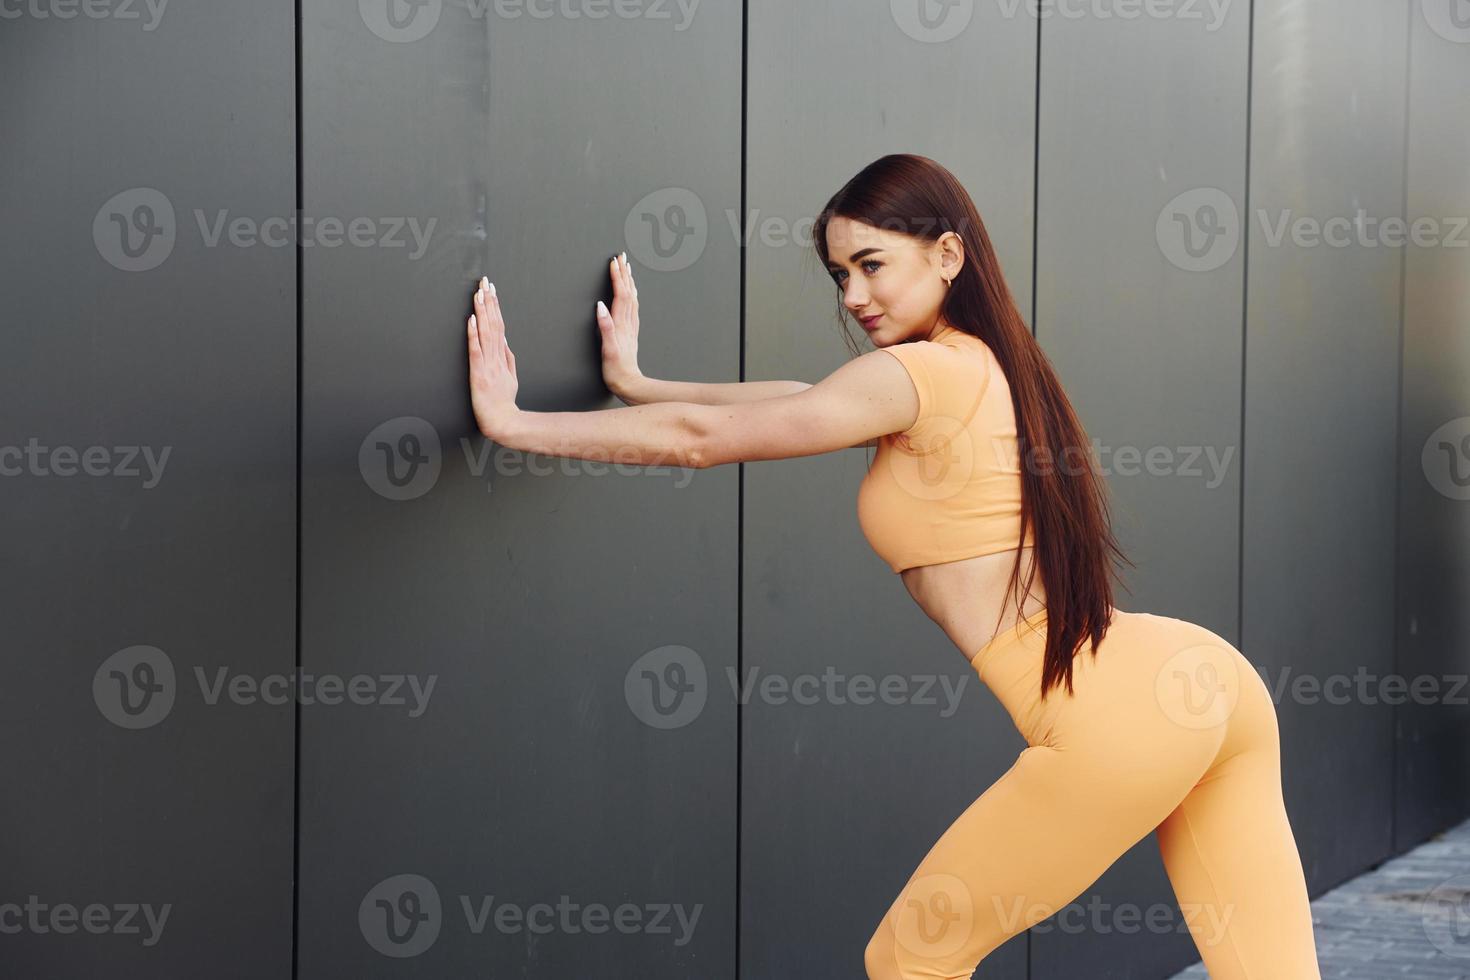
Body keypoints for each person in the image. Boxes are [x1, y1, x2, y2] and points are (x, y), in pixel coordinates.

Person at [464, 154, 1321, 979]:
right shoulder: (986, 364)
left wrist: (518, 423)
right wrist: (643, 386)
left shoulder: (921, 372)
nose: (855, 294)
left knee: (913, 959)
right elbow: (799, 405)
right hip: (1204, 679)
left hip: (1118, 718)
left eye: (872, 263)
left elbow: (705, 443)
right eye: (841, 274)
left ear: (948, 252)